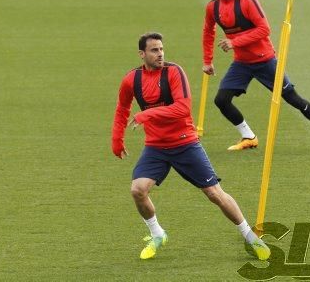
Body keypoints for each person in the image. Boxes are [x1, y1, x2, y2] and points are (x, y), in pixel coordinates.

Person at [111, 32, 270, 260]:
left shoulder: (174, 72)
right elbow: (122, 109)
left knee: (214, 193)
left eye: (161, 49)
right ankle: (157, 234)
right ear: (142, 54)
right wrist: (117, 140)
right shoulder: (132, 79)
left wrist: (147, 114)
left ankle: (250, 236)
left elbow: (182, 108)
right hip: (156, 147)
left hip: (185, 143)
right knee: (138, 189)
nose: (160, 54)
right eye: (154, 50)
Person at [201, 0, 310, 151]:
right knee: (221, 100)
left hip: (265, 60)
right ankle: (248, 136)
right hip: (242, 63)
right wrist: (207, 61)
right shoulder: (213, 6)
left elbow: (264, 29)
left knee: (293, 99)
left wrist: (235, 42)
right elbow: (208, 31)